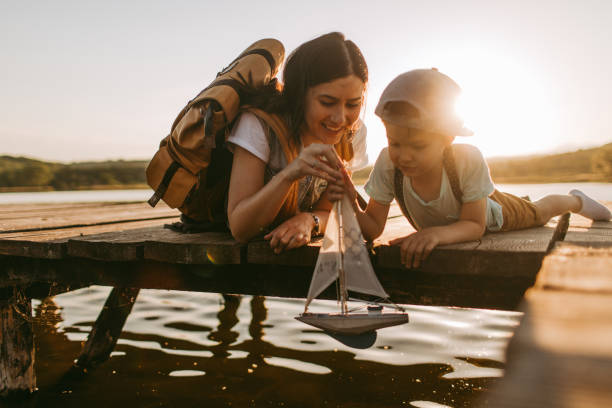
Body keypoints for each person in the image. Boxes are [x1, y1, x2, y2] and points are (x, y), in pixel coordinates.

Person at [342, 68, 611, 268]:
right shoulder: (388, 163)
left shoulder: (467, 159)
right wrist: (349, 200)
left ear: (448, 138)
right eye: (395, 142)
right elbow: (374, 228)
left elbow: (474, 225)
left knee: (541, 212)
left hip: (493, 214)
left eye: (419, 146)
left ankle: (575, 200)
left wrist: (433, 234)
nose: (404, 155)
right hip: (450, 221)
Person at [227, 32, 369, 253]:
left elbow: (327, 211)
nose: (340, 118)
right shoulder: (260, 125)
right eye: (327, 102)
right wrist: (290, 174)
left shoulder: (352, 135)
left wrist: (309, 221)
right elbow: (240, 228)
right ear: (299, 95)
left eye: (353, 104)